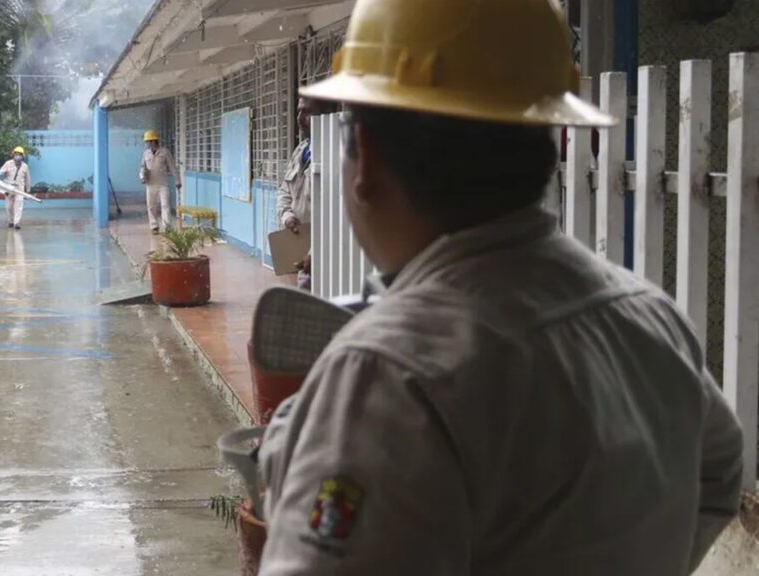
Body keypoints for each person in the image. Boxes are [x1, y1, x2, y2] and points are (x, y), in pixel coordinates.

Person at [257, 1, 743, 575]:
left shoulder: (388, 373)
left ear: (365, 160)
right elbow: (720, 471)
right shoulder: (650, 318)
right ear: (546, 143)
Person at [278, 97, 320, 290]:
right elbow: (285, 190)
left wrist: (316, 251)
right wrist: (287, 216)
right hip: (302, 249)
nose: (300, 117)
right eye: (299, 111)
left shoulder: (337, 151)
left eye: (307, 112)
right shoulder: (301, 150)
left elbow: (337, 211)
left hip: (326, 252)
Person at [140, 130, 182, 234]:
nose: (148, 144)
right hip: (150, 184)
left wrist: (177, 180)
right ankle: (154, 226)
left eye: (149, 141)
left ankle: (167, 227)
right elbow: (142, 167)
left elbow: (172, 166)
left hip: (163, 184)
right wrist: (142, 177)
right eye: (147, 142)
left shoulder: (164, 152)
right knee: (151, 206)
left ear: (154, 141)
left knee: (165, 205)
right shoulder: (146, 154)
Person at [0, 146, 31, 230]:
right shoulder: (8, 163)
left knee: (18, 206)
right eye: (16, 154)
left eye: (19, 154)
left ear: (22, 156)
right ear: (13, 155)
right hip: (8, 188)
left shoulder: (25, 166)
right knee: (8, 206)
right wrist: (3, 171)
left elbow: (28, 178)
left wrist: (28, 190)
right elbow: (1, 171)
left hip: (19, 189)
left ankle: (17, 223)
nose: (18, 156)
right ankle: (11, 221)